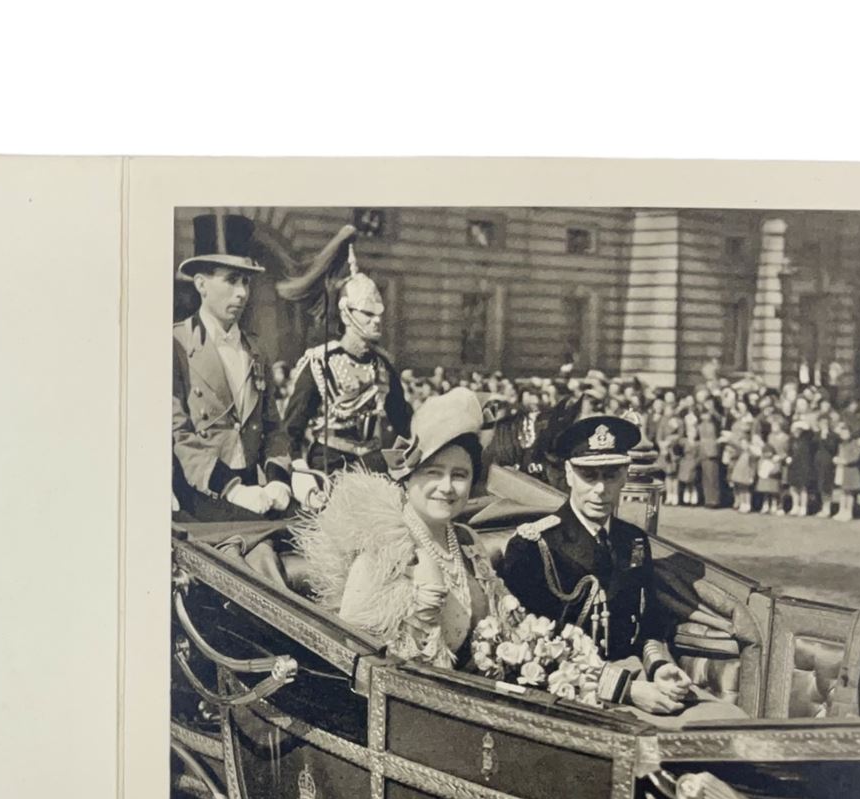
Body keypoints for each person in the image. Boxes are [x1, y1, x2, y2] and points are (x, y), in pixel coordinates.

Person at [292, 388, 509, 669]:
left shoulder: (467, 540)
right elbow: (353, 652)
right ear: (407, 478)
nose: (446, 487)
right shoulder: (384, 544)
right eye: (433, 472)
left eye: (459, 475)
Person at [497, 415, 695, 714]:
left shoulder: (633, 540)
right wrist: (625, 690)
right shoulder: (533, 545)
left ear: (625, 475)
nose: (601, 490)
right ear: (569, 473)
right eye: (589, 475)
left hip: (636, 677)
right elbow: (527, 650)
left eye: (611, 475)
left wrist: (659, 666)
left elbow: (647, 620)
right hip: (566, 695)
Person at [171, 214, 291, 520]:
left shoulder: (254, 349)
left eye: (246, 282)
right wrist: (232, 489)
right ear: (201, 284)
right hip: (203, 494)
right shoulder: (177, 345)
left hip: (254, 489)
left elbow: (273, 427)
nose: (241, 293)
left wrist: (278, 478)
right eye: (231, 280)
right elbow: (178, 434)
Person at [281, 264, 413, 478]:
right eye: (367, 314)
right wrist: (300, 471)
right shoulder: (320, 362)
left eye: (379, 314)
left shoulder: (383, 366)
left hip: (373, 466)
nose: (377, 320)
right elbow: (291, 430)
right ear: (346, 315)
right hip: (329, 465)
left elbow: (403, 423)